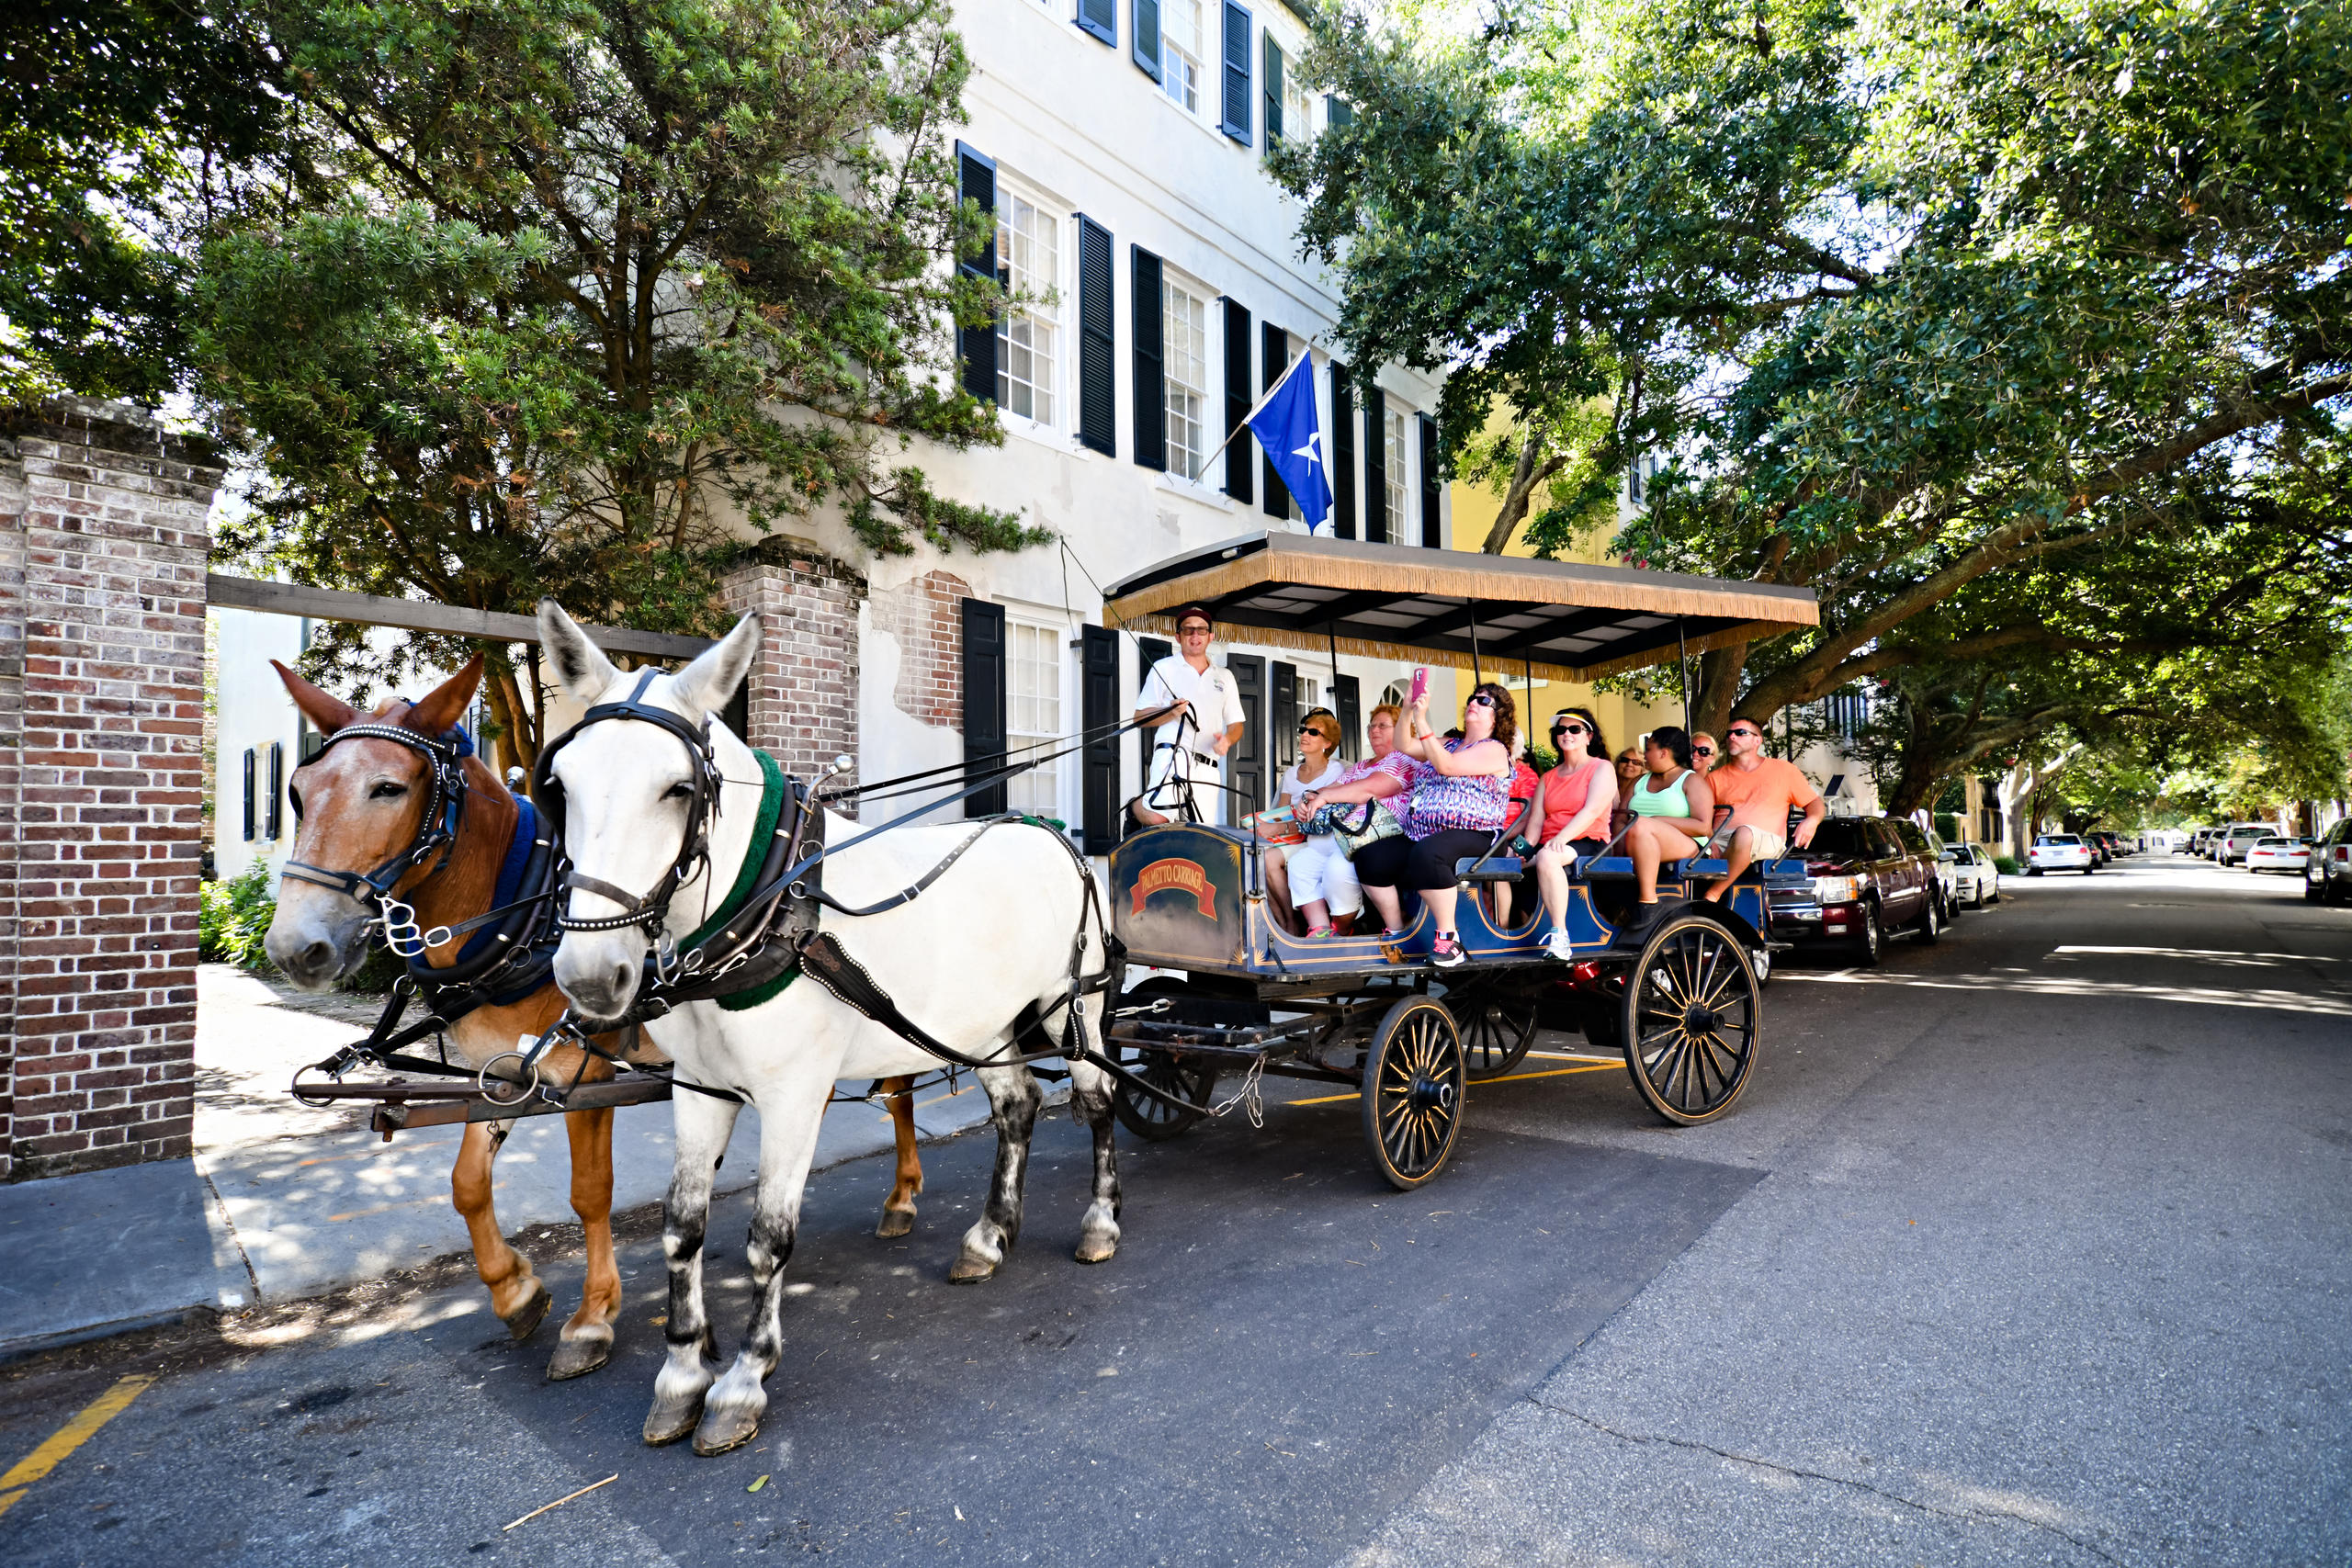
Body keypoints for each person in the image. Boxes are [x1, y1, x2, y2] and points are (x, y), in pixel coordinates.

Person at [1340, 682, 1518, 969]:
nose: (1475, 702)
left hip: (1477, 835)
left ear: (1498, 717)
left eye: (1485, 702)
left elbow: (1447, 765)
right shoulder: (1448, 744)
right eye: (1473, 698)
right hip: (1422, 831)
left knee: (1429, 854)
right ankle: (1398, 931)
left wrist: (1422, 720)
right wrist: (1408, 709)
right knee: (1371, 856)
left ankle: (1449, 939)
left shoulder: (1495, 750)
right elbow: (1403, 745)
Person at [1264, 705, 1404, 937]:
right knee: (1300, 866)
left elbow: (1368, 789)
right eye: (1372, 726)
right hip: (1337, 838)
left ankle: (1343, 930)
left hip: (1367, 838)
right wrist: (1312, 797)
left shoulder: (1401, 761)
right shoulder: (1360, 766)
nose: (1374, 731)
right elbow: (1336, 787)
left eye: (1382, 726)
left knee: (1336, 871)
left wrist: (1324, 797)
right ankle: (1320, 928)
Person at [1130, 605, 1246, 827]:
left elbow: (1237, 723)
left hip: (1208, 766)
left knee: (1198, 833)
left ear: (1210, 636)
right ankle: (1135, 807)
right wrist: (1169, 713)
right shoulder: (1163, 668)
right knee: (1159, 818)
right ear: (1178, 636)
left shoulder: (1225, 676)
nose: (1195, 635)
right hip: (1172, 755)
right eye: (1188, 630)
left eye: (1201, 630)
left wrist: (1228, 740)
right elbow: (1138, 718)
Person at [1701, 716, 1824, 902]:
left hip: (1766, 840)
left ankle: (1713, 894)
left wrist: (1812, 821)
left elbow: (1814, 803)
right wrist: (1711, 840)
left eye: (1740, 733)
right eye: (1729, 734)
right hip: (1722, 840)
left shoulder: (1784, 770)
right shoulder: (1714, 778)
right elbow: (1703, 819)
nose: (1732, 737)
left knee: (1745, 834)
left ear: (1757, 740)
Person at [1615, 725, 1716, 946]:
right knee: (1637, 826)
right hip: (1638, 842)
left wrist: (1658, 822)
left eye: (1648, 749)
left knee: (1640, 825)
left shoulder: (1691, 781)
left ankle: (1648, 900)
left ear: (1664, 752)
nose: (1644, 756)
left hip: (1687, 847)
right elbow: (1621, 818)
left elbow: (1704, 827)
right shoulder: (1639, 782)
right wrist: (1616, 856)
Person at [1529, 707, 1615, 960]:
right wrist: (1520, 850)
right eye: (1561, 730)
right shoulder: (1548, 777)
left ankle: (1560, 935)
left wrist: (1560, 839)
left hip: (1588, 841)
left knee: (1547, 858)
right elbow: (1535, 824)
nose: (1567, 734)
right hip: (1552, 844)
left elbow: (1592, 810)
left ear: (1588, 736)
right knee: (1503, 864)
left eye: (1574, 729)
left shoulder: (1602, 768)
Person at [1609, 748, 1645, 839]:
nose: (1629, 764)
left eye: (1636, 762)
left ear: (1643, 768)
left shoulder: (1644, 792)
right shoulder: (1607, 785)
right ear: (1617, 764)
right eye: (1625, 760)